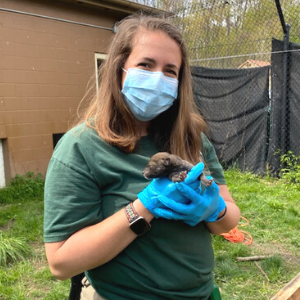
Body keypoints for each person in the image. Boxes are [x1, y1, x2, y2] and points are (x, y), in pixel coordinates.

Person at [44, 12, 241, 300]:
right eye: (146, 65)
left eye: (170, 70)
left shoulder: (191, 138)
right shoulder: (81, 148)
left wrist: (215, 210)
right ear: (120, 69)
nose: (158, 78)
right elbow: (61, 263)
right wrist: (144, 207)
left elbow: (229, 218)